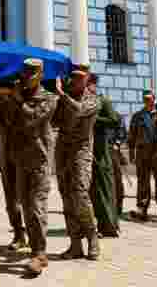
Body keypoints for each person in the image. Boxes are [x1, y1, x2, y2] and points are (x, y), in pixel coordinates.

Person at [3, 58, 59, 277]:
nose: (25, 79)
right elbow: (7, 121)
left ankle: (39, 253)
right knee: (26, 206)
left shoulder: (49, 98)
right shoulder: (16, 97)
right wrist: (12, 100)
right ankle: (33, 246)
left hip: (39, 160)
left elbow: (31, 120)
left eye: (30, 75)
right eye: (24, 75)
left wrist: (17, 101)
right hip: (19, 159)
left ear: (40, 76)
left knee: (36, 207)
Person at [52, 66, 100, 260]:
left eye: (80, 78)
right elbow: (53, 121)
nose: (75, 81)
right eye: (72, 77)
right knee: (66, 197)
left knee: (80, 195)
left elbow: (79, 110)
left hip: (81, 152)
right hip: (63, 150)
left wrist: (61, 94)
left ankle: (92, 237)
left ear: (87, 80)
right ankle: (75, 244)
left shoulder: (93, 100)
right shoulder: (63, 99)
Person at [128, 91, 157, 221]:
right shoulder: (138, 116)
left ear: (154, 99)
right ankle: (142, 207)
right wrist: (131, 151)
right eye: (145, 99)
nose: (147, 101)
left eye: (149, 99)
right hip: (142, 153)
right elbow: (132, 134)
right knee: (143, 182)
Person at [0, 83, 27, 253]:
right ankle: (18, 234)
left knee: (29, 201)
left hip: (23, 155)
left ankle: (35, 237)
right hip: (6, 153)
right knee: (11, 200)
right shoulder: (1, 103)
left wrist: (17, 99)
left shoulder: (26, 102)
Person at [91, 75, 122, 236]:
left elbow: (113, 120)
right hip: (88, 149)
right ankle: (99, 224)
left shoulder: (102, 101)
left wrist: (93, 118)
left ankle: (110, 225)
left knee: (105, 188)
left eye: (90, 84)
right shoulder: (85, 101)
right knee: (93, 191)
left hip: (102, 150)